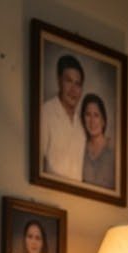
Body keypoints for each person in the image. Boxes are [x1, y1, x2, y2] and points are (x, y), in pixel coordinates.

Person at [40, 53, 86, 181]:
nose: (73, 90)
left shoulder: (82, 122)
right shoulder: (45, 113)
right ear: (59, 81)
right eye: (69, 81)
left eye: (77, 84)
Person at [80, 93, 115, 189]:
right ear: (83, 119)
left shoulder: (114, 150)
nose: (92, 121)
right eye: (88, 115)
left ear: (103, 120)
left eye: (96, 115)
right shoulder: (80, 149)